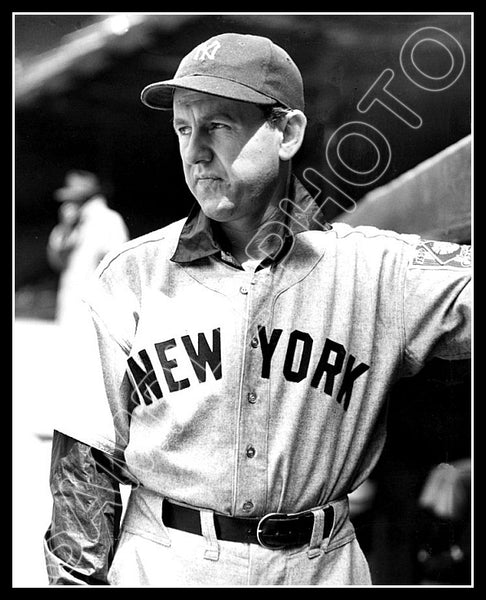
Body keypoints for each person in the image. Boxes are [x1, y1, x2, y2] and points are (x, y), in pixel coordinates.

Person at [43, 33, 471, 586]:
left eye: (218, 125)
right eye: (182, 128)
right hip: (167, 563)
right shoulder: (131, 274)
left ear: (288, 132)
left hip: (319, 567)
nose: (195, 151)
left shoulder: (376, 271)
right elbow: (85, 463)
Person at [47, 169, 129, 326]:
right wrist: (66, 228)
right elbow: (56, 262)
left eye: (73, 198)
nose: (67, 204)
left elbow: (119, 266)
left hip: (96, 309)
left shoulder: (109, 220)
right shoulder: (70, 225)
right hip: (70, 305)